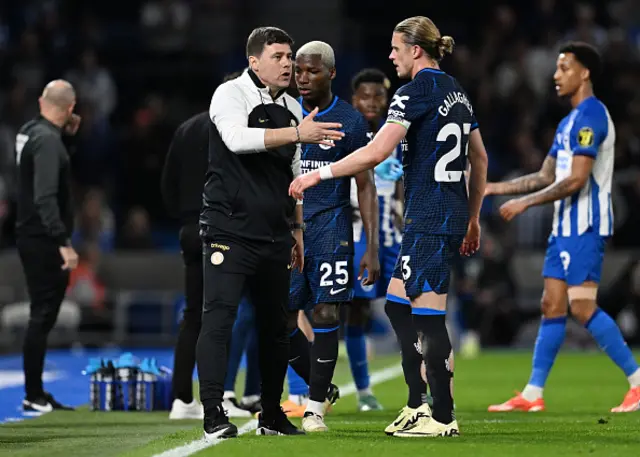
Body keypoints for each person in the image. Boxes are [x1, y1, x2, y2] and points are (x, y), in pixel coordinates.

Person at [289, 16, 489, 437]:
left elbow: (376, 153)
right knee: (398, 303)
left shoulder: (413, 92)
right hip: (440, 213)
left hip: (430, 216)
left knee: (430, 318)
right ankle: (417, 402)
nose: (391, 55)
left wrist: (317, 175)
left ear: (416, 50)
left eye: (396, 48)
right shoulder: (457, 92)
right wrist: (472, 217)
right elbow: (480, 158)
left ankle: (443, 416)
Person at [197, 26, 345, 439]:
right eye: (278, 56)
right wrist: (298, 133)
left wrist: (297, 229)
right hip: (228, 228)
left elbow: (294, 173)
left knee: (276, 327)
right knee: (219, 320)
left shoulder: (295, 109)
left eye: (289, 55)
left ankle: (271, 415)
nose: (287, 63)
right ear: (253, 61)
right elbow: (236, 139)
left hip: (274, 234)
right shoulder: (230, 94)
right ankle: (213, 413)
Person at [486, 42, 640, 414]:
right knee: (551, 305)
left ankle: (637, 383)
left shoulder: (591, 116)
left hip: (585, 223)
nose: (555, 75)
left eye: (564, 68)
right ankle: (533, 393)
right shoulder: (567, 122)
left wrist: (524, 203)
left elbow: (576, 180)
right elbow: (545, 175)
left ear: (584, 72)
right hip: (564, 227)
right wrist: (494, 187)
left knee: (582, 308)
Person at [287, 41, 380, 433]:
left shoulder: (350, 121)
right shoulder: (285, 115)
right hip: (290, 232)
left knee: (327, 313)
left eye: (312, 71)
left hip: (331, 228)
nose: (303, 78)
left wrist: (372, 245)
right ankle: (321, 386)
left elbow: (365, 183)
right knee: (279, 318)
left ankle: (314, 410)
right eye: (298, 71)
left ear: (331, 73)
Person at [161, 70, 260, 420]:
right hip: (223, 230)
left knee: (193, 315)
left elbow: (167, 186)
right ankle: (221, 396)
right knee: (224, 314)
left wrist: (185, 217)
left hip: (189, 228)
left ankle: (181, 399)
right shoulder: (234, 130)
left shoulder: (186, 128)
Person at [14, 80, 81, 412]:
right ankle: (33, 393)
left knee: (42, 314)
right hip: (43, 239)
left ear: (42, 101)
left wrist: (66, 134)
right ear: (70, 108)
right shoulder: (48, 143)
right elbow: (45, 197)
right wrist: (62, 242)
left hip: (29, 233)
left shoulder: (30, 131)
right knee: (42, 315)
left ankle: (34, 391)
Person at [348, 68, 406, 412]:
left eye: (378, 96)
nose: (371, 102)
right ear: (354, 99)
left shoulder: (396, 134)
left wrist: (401, 203)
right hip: (358, 235)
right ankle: (364, 392)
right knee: (357, 311)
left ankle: (422, 384)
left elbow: (403, 177)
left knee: (410, 308)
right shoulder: (344, 132)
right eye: (364, 96)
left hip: (393, 236)